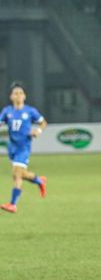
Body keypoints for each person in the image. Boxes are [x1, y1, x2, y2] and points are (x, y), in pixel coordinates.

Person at [0, 82, 48, 213]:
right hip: (12, 148)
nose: (18, 95)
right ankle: (39, 181)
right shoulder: (7, 111)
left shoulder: (30, 111)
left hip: (23, 147)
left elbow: (43, 123)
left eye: (21, 93)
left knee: (16, 175)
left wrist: (37, 131)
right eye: (16, 93)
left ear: (24, 96)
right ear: (11, 97)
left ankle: (13, 204)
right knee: (21, 174)